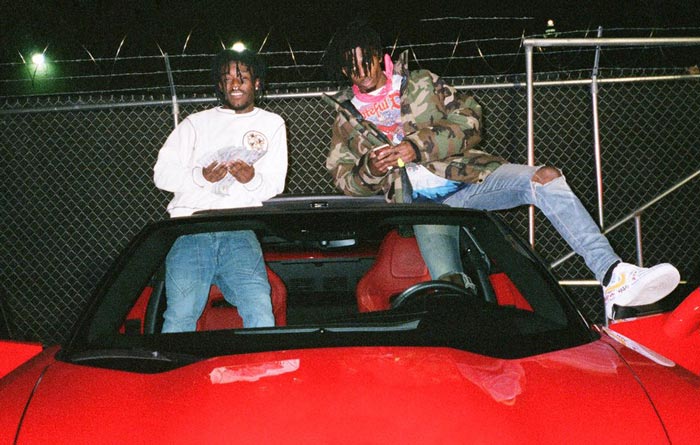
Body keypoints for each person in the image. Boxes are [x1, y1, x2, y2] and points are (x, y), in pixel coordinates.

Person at [323, 20, 680, 320]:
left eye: (366, 60)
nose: (361, 72)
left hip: (470, 179)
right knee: (452, 290)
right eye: (351, 66)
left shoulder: (421, 82)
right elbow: (344, 179)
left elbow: (471, 120)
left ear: (380, 56)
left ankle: (613, 275)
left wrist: (419, 146)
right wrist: (370, 169)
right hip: (424, 207)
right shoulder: (346, 118)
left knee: (546, 178)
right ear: (343, 70)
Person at [153, 48, 288, 332]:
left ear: (257, 83)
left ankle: (259, 363)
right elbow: (161, 175)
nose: (235, 84)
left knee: (260, 312)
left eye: (243, 78)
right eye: (228, 79)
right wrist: (201, 177)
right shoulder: (195, 123)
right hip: (191, 229)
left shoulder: (272, 123)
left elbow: (274, 186)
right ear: (220, 85)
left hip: (239, 230)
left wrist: (251, 178)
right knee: (179, 317)